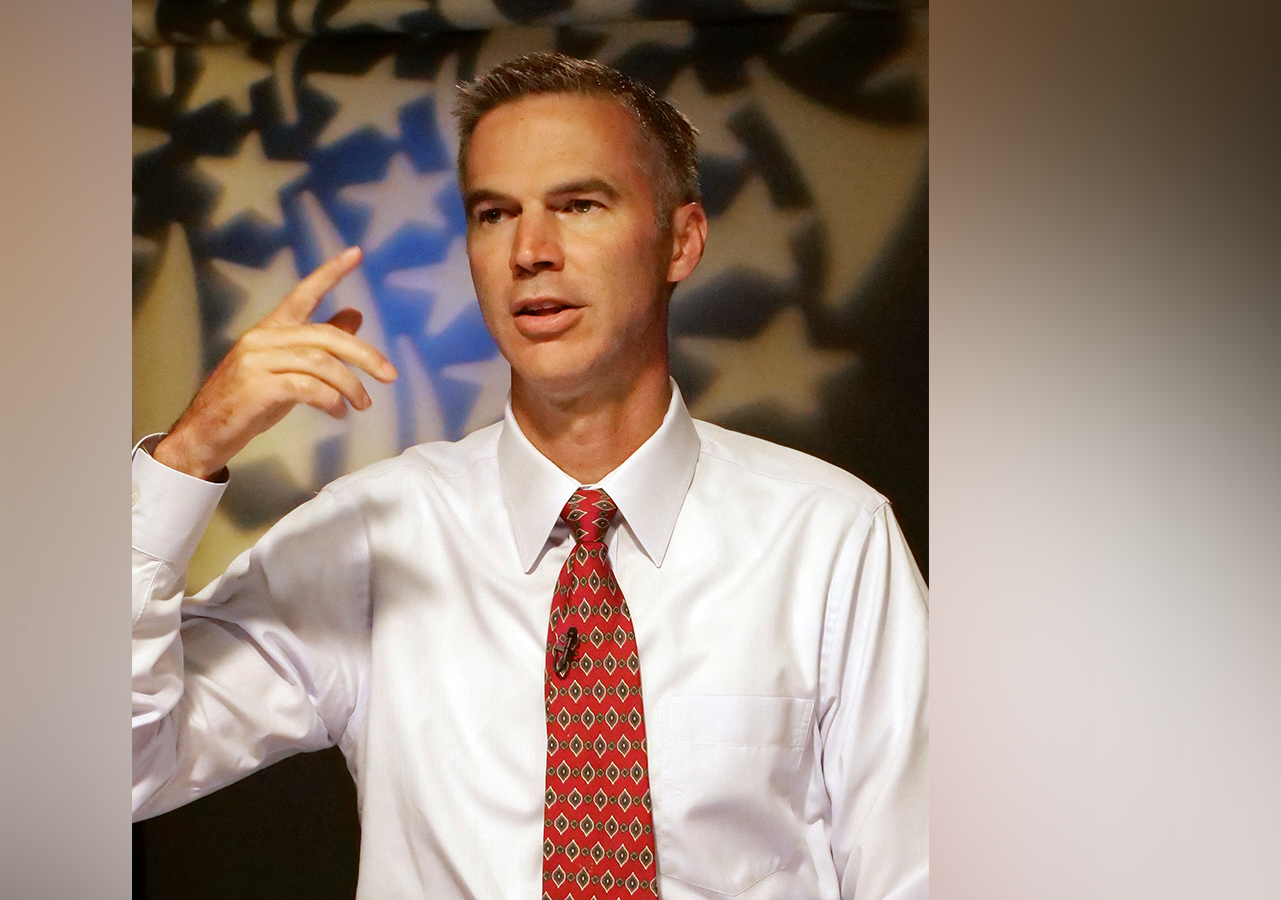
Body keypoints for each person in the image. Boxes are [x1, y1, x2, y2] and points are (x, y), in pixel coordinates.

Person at [133, 52, 927, 900]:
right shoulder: (379, 535)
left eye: (580, 205)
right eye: (493, 213)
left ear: (682, 239)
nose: (530, 252)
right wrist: (186, 457)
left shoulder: (831, 538)